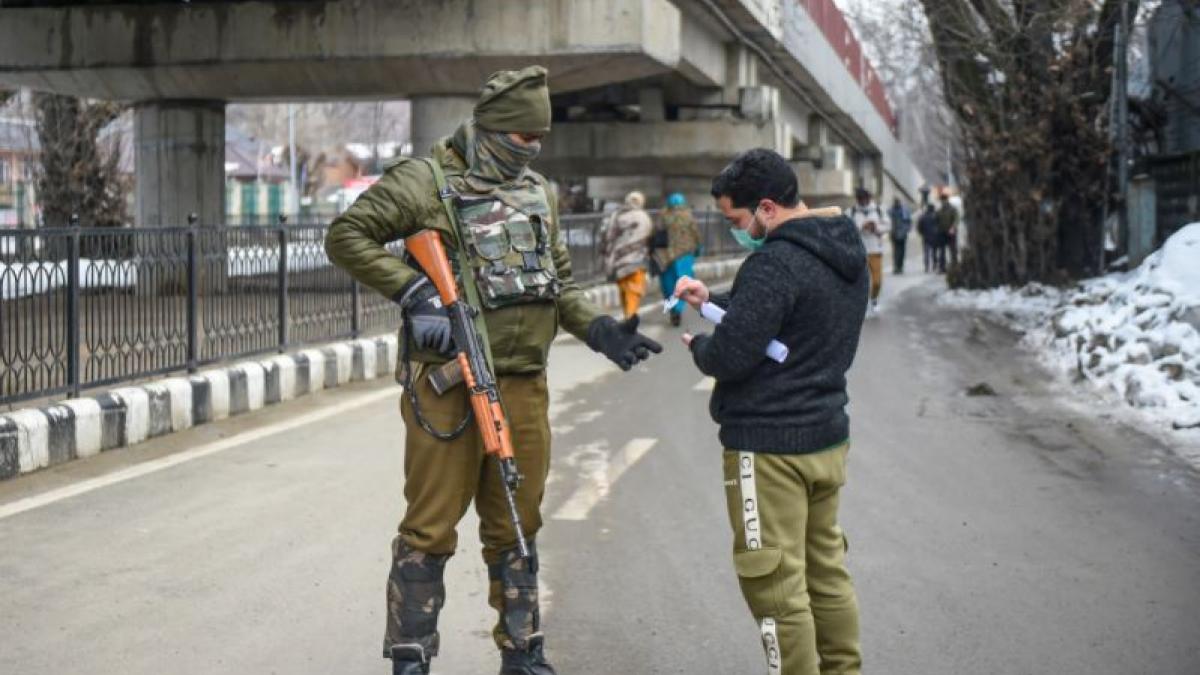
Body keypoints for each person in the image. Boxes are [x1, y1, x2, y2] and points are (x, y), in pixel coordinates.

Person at [324, 66, 662, 675]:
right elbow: (347, 235)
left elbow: (560, 283)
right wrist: (415, 292)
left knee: (518, 523)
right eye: (522, 137)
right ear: (491, 129)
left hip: (523, 384)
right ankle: (411, 658)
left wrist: (599, 330)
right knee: (430, 528)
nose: (531, 149)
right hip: (448, 384)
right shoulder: (425, 182)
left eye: (540, 139)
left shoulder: (539, 192)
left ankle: (523, 652)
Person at [674, 148, 866, 675]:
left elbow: (732, 354)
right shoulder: (842, 250)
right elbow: (784, 316)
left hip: (769, 449)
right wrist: (711, 300)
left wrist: (700, 347)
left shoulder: (774, 262)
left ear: (766, 207)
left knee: (776, 589)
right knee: (826, 575)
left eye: (737, 220)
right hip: (826, 436)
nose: (737, 231)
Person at [652, 192, 702, 327]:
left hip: (666, 256)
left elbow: (654, 234)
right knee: (683, 282)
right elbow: (696, 234)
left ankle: (673, 308)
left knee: (667, 284)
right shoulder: (688, 216)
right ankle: (678, 308)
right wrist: (698, 249)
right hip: (685, 255)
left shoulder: (663, 216)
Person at [601, 190, 654, 318]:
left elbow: (608, 236)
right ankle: (630, 316)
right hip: (638, 261)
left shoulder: (616, 215)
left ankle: (627, 315)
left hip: (620, 261)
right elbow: (650, 238)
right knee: (634, 291)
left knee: (624, 290)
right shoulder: (644, 217)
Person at [847, 187, 889, 315]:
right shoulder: (851, 212)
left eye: (865, 199)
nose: (863, 201)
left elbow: (888, 225)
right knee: (859, 281)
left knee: (877, 281)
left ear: (869, 198)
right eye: (860, 199)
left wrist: (876, 228)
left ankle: (874, 299)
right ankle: (861, 304)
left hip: (875, 249)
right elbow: (845, 228)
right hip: (858, 251)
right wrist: (861, 227)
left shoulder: (878, 210)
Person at [887, 196, 911, 274]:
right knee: (896, 251)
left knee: (900, 251)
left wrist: (906, 230)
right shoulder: (891, 211)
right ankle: (897, 267)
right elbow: (887, 222)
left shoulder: (904, 210)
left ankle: (899, 266)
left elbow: (908, 222)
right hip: (894, 234)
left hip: (901, 234)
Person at [936, 190, 959, 272]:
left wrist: (953, 227)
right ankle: (942, 267)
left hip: (951, 232)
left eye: (944, 200)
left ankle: (954, 266)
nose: (943, 202)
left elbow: (956, 219)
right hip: (942, 232)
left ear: (947, 200)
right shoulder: (939, 210)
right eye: (942, 200)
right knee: (942, 251)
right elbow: (936, 220)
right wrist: (937, 229)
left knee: (953, 250)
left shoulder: (952, 209)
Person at [917, 204, 939, 273]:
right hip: (935, 237)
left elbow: (919, 227)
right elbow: (939, 225)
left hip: (925, 237)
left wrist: (922, 233)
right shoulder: (935, 216)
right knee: (934, 252)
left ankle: (926, 266)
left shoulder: (923, 216)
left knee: (926, 252)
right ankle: (934, 265)